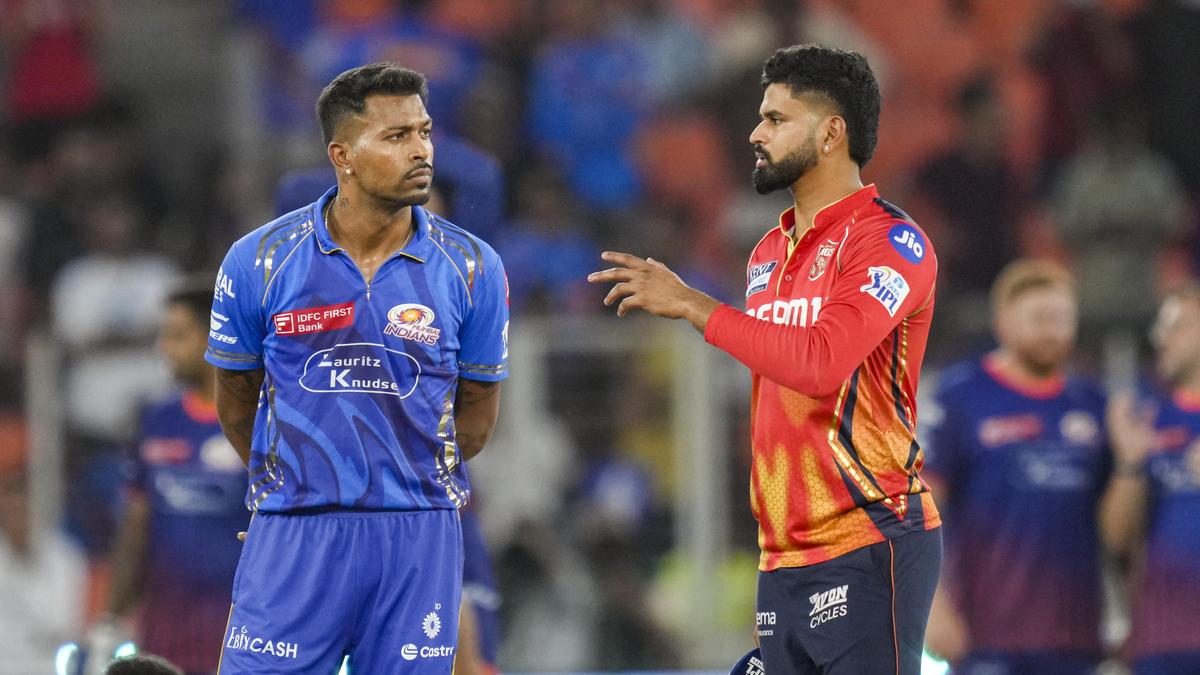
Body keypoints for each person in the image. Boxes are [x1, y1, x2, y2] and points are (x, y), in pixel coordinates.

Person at [590, 44, 942, 675]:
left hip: (868, 537)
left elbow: (820, 365)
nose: (756, 133)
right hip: (783, 555)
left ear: (831, 133)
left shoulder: (891, 242)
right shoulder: (766, 254)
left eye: (776, 119)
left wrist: (695, 305)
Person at [206, 63, 509, 673]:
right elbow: (235, 402)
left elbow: (475, 420)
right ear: (342, 155)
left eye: (424, 132)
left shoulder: (474, 267)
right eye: (396, 136)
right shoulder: (258, 260)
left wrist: (395, 485)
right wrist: (292, 489)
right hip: (295, 535)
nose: (421, 150)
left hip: (417, 536)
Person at [922, 260, 1110, 674]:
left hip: (1075, 639)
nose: (1052, 331)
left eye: (1061, 319)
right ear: (1002, 323)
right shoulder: (962, 396)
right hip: (985, 634)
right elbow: (922, 503)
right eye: (1039, 318)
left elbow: (1118, 520)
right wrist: (932, 606)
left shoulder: (1093, 403)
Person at [94, 279, 250, 675]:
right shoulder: (155, 420)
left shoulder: (256, 423)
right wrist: (111, 619)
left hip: (239, 635)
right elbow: (135, 529)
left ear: (214, 338)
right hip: (164, 637)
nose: (164, 347)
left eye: (177, 336)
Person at [1101, 284, 1200, 674]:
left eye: (1176, 325)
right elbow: (1117, 540)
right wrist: (1130, 465)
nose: (1161, 338)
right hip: (1162, 641)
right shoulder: (1147, 421)